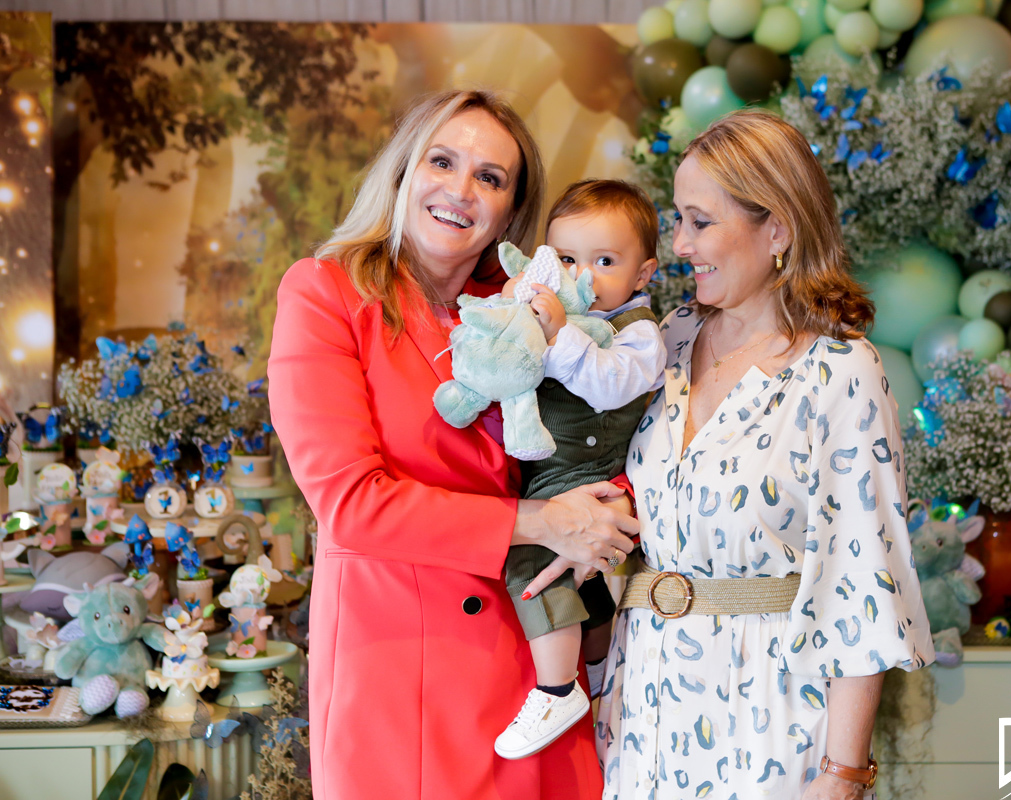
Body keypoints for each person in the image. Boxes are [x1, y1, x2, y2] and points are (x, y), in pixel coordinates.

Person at [267, 89, 638, 800]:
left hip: (535, 663)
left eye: (489, 178)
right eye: (442, 162)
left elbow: (600, 431)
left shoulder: (531, 309)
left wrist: (607, 507)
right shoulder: (327, 293)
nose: (461, 190)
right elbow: (352, 505)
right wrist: (542, 522)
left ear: (510, 214)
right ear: (404, 172)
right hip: (403, 675)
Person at [595, 110, 935, 799]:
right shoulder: (667, 339)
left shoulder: (840, 371)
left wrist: (843, 773)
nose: (680, 244)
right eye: (678, 220)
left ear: (777, 229)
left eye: (700, 221)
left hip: (768, 720)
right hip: (640, 712)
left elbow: (861, 583)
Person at [493, 180, 667, 760]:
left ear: (642, 274)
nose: (583, 275)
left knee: (532, 563)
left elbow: (609, 384)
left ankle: (555, 689)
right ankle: (594, 668)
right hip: (553, 465)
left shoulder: (639, 332)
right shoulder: (559, 311)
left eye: (605, 261)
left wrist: (559, 333)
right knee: (583, 584)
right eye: (567, 259)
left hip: (587, 470)